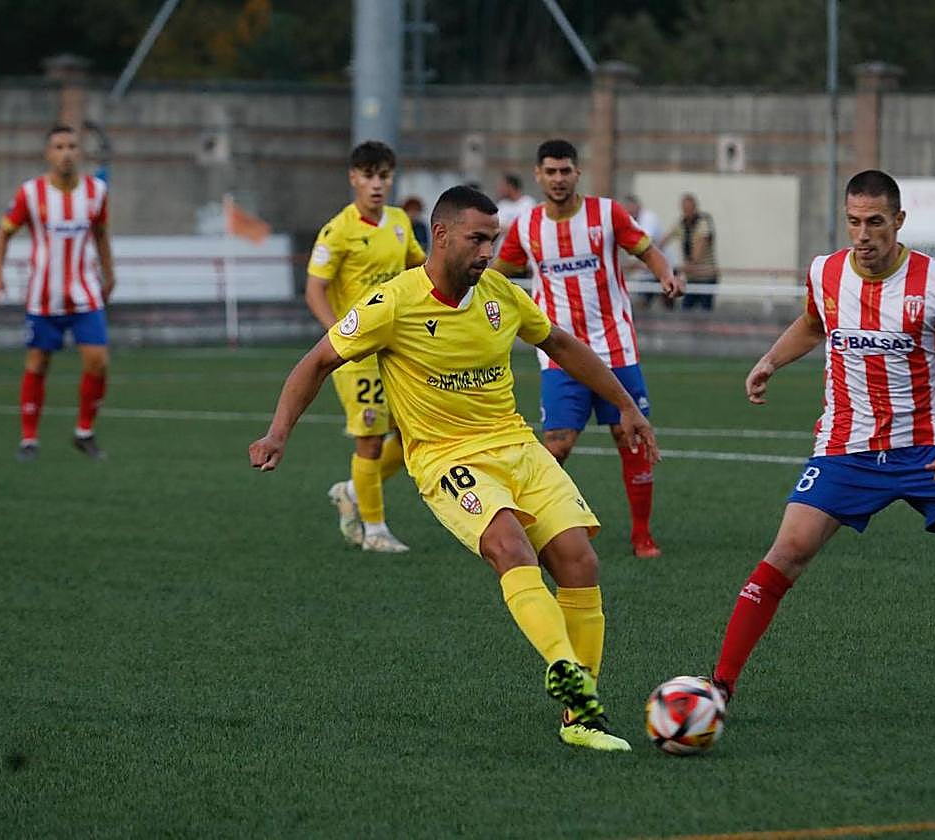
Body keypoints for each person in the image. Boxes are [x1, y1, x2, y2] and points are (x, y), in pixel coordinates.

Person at [250, 185, 660, 751]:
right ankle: (565, 666)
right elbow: (317, 360)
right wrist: (278, 432)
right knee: (509, 547)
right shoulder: (392, 303)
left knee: (579, 560)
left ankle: (580, 719)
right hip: (448, 459)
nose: (488, 251)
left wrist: (625, 406)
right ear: (441, 236)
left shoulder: (498, 294)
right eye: (477, 239)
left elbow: (562, 344)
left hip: (517, 446)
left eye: (493, 239)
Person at [709, 169, 935, 719]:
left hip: (927, 448)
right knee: (785, 553)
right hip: (846, 447)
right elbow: (814, 325)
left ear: (899, 221)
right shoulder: (826, 272)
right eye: (854, 222)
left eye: (876, 222)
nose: (863, 234)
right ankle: (719, 684)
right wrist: (770, 360)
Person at [491, 139, 683, 559]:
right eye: (551, 172)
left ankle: (642, 535)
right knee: (556, 445)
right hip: (559, 353)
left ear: (578, 173)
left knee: (629, 437)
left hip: (616, 349)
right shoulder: (526, 226)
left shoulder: (607, 214)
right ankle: (532, 525)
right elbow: (495, 274)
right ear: (538, 175)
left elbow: (647, 249)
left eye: (566, 171)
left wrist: (667, 274)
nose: (558, 179)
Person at [305, 141, 426, 553]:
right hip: (358, 355)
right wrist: (338, 332)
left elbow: (418, 269)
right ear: (353, 178)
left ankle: (354, 491)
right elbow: (315, 289)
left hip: (398, 350)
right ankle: (374, 531)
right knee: (370, 440)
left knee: (411, 435)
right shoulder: (338, 230)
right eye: (368, 176)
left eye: (384, 176)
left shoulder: (398, 221)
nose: (377, 185)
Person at [0, 123, 115, 462]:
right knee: (38, 363)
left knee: (98, 361)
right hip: (43, 296)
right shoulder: (30, 193)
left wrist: (110, 274)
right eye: (58, 147)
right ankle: (29, 439)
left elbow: (102, 235)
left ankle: (84, 432)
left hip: (85, 294)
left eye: (72, 146)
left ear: (80, 152)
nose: (66, 153)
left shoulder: (96, 191)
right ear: (48, 153)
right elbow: (4, 233)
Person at [660, 193, 718, 310]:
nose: (686, 211)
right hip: (691, 277)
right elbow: (665, 240)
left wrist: (687, 265)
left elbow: (700, 247)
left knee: (705, 311)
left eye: (688, 208)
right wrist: (649, 254)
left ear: (695, 207)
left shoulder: (703, 222)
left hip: (706, 276)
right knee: (686, 309)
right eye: (684, 208)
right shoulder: (682, 223)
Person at [622, 195, 666, 310]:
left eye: (630, 208)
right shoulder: (631, 221)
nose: (629, 212)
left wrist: (630, 265)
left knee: (667, 303)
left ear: (638, 206)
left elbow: (644, 244)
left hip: (662, 266)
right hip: (647, 271)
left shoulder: (649, 218)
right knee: (642, 303)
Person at [495, 172, 536, 245]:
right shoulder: (501, 205)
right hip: (503, 251)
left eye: (502, 186)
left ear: (510, 186)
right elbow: (498, 228)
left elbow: (531, 227)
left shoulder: (528, 202)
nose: (499, 189)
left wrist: (509, 229)